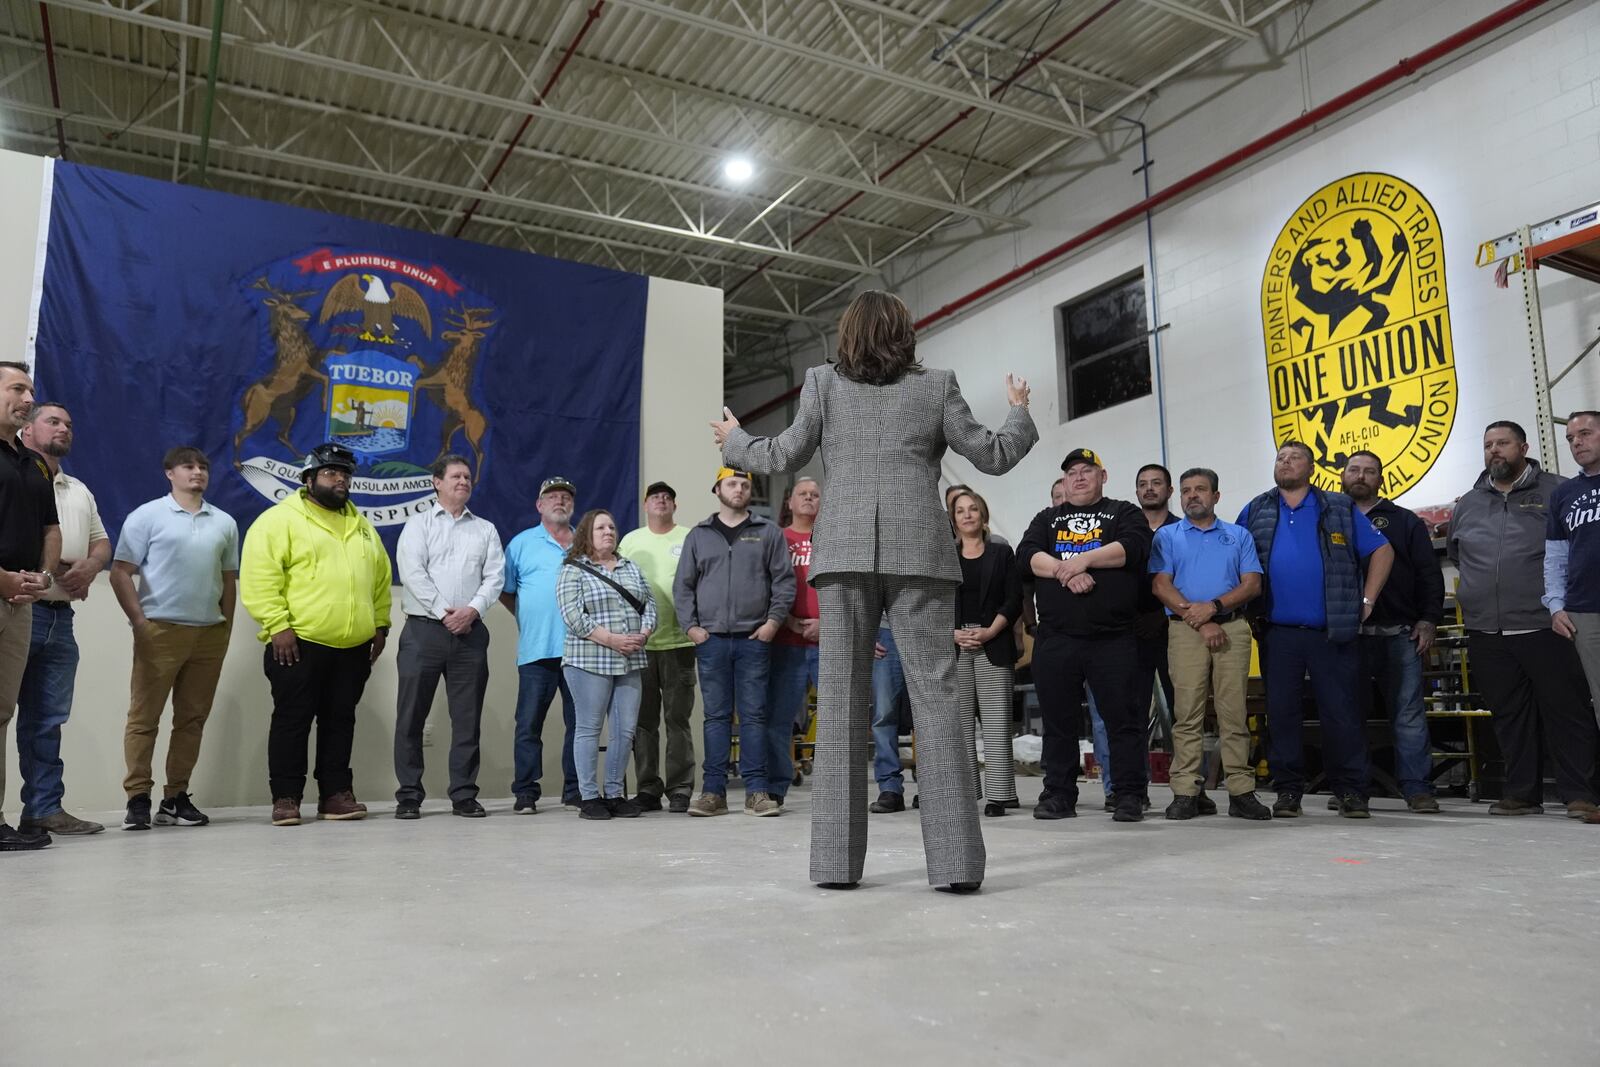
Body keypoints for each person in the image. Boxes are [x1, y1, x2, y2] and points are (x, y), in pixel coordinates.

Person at [715, 289, 1036, 891]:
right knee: (940, 711)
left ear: (849, 334)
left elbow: (785, 451)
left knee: (839, 712)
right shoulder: (937, 384)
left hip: (844, 556)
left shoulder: (822, 383)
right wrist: (1018, 409)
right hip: (923, 557)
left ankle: (836, 866)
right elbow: (993, 456)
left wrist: (734, 439)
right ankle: (957, 867)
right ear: (906, 333)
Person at [1237, 441, 1393, 819]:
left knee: (1341, 713)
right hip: (1277, 631)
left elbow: (1382, 550)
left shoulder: (1337, 507)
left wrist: (1367, 601)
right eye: (1280, 458)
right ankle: (1288, 792)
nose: (1285, 463)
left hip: (1332, 630)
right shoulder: (1256, 509)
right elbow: (1234, 557)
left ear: (1311, 468)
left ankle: (1352, 791)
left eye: (1294, 458)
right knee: (1283, 714)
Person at [240, 442, 391, 826]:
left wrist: (380, 625)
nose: (340, 480)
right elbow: (260, 578)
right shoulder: (279, 521)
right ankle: (286, 798)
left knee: (341, 720)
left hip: (353, 647)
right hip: (297, 643)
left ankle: (335, 796)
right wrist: (277, 625)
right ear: (309, 480)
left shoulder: (363, 529)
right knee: (293, 719)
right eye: (330, 473)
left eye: (345, 474)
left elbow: (380, 581)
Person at [1453, 421, 1597, 817]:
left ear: (1524, 447)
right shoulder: (1467, 502)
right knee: (1508, 715)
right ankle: (1521, 793)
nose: (1494, 451)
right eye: (1488, 445)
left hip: (1546, 623)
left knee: (1566, 711)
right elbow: (1456, 553)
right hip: (1486, 629)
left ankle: (1580, 794)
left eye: (1503, 443)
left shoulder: (1558, 490)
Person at [1019, 448, 1153, 823]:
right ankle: (1059, 794)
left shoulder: (1123, 512)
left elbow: (1133, 548)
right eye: (1071, 473)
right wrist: (1067, 570)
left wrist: (1084, 559)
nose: (1078, 477)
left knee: (1123, 721)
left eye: (1087, 471)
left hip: (1113, 639)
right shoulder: (1047, 519)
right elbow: (1027, 555)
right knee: (1058, 723)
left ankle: (1128, 794)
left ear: (1103, 476)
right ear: (1063, 482)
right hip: (1058, 638)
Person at [110, 445, 238, 831]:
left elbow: (229, 579)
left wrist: (226, 625)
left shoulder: (224, 522)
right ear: (170, 473)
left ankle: (175, 797)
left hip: (208, 632)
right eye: (188, 466)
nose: (196, 472)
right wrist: (139, 622)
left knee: (192, 719)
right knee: (144, 717)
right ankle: (137, 798)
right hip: (160, 630)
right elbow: (120, 572)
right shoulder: (147, 516)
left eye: (202, 467)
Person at [673, 467, 795, 817]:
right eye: (732, 483)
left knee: (755, 716)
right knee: (716, 718)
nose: (739, 489)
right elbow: (683, 586)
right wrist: (692, 628)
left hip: (754, 639)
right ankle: (713, 792)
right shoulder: (699, 535)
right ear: (717, 489)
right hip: (710, 641)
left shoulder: (767, 532)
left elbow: (784, 582)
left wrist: (772, 623)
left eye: (744, 484)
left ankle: (756, 791)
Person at [1150, 468, 1270, 821]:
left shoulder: (1238, 536)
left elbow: (1252, 585)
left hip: (1232, 628)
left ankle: (1241, 791)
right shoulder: (1168, 537)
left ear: (1216, 496)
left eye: (1200, 490)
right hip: (1185, 631)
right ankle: (1185, 791)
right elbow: (1160, 586)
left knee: (1234, 714)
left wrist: (1214, 610)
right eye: (1186, 490)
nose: (1192, 496)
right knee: (1187, 714)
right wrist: (1200, 621)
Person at [14, 402, 110, 836]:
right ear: (27, 429)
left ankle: (43, 809)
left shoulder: (78, 489)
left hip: (59, 617)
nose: (64, 429)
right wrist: (51, 568)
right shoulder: (14, 475)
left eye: (69, 423)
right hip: (16, 608)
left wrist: (90, 567)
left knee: (47, 719)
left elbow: (101, 543)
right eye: (53, 421)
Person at [392, 455, 505, 820]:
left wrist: (471, 611)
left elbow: (494, 578)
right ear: (436, 482)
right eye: (455, 475)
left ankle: (464, 795)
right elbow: (412, 573)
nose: (463, 481)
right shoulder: (418, 525)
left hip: (470, 634)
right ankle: (409, 796)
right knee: (410, 717)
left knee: (467, 719)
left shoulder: (485, 529)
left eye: (468, 476)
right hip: (424, 631)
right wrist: (445, 612)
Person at [1341, 450, 1446, 813]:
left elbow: (1429, 574)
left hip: (1400, 633)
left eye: (1370, 471)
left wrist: (1429, 619)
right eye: (1354, 469)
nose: (1361, 476)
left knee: (1408, 713)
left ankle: (1417, 788)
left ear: (1380, 479)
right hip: (1347, 636)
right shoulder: (1330, 520)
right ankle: (1352, 790)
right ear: (1342, 475)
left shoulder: (1404, 522)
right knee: (1346, 714)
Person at [558, 509, 657, 821]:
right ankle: (589, 797)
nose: (608, 532)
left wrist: (643, 632)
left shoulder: (630, 567)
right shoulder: (573, 569)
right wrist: (612, 639)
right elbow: (573, 616)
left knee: (625, 731)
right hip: (589, 659)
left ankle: (614, 793)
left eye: (612, 526)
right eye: (600, 527)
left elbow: (649, 604)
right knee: (589, 728)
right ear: (587, 533)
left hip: (631, 658)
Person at [0, 362, 60, 853]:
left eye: (30, 390)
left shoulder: (35, 463)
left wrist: (41, 575)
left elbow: (50, 528)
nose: (27, 398)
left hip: (20, 603)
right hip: (2, 587)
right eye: (17, 388)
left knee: (1, 712)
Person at [502, 476, 582, 813]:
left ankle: (576, 790)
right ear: (539, 505)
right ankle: (525, 793)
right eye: (552, 497)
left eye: (565, 497)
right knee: (529, 725)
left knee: (581, 726)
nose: (559, 501)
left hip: (581, 650)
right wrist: (529, 615)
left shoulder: (585, 542)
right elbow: (506, 591)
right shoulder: (520, 544)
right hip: (536, 650)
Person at [619, 481, 697, 813]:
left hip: (680, 642)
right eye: (655, 497)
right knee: (643, 721)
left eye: (667, 497)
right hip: (640, 644)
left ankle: (680, 788)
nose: (661, 501)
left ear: (674, 506)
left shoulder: (690, 537)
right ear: (645, 505)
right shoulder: (630, 541)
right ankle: (648, 787)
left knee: (677, 719)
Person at [951, 489, 1022, 817]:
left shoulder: (1001, 553)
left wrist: (991, 630)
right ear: (954, 519)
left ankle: (1000, 795)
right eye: (960, 511)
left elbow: (1013, 598)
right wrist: (951, 633)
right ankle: (966, 793)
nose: (967, 515)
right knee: (960, 725)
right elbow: (935, 603)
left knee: (996, 722)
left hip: (993, 640)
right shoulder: (944, 555)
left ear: (983, 514)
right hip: (956, 645)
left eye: (973, 509)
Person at [1547, 411, 1600, 825]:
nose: (1576, 442)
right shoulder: (1565, 495)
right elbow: (1556, 556)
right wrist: (1556, 605)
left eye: (1585, 433)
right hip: (1585, 610)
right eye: (1570, 437)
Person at [767, 477, 821, 809]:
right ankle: (776, 786)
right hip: (786, 641)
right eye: (802, 494)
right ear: (789, 502)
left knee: (837, 719)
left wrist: (825, 625)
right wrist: (787, 620)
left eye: (815, 495)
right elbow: (764, 585)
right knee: (779, 718)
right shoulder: (777, 540)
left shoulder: (832, 539)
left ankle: (836, 787)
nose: (809, 499)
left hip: (828, 642)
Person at [1132, 463, 1179, 744]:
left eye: (1156, 483)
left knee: (1180, 707)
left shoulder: (1182, 531)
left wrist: (1161, 615)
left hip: (1174, 628)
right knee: (1132, 709)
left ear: (1169, 490)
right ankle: (1133, 784)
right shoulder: (1125, 531)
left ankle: (1187, 780)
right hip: (1132, 630)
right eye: (1143, 484)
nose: (1149, 488)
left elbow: (1187, 582)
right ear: (1136, 491)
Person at [867, 616, 909, 812]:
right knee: (884, 714)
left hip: (924, 625)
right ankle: (889, 788)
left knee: (930, 713)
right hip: (884, 630)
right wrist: (865, 636)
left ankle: (933, 786)